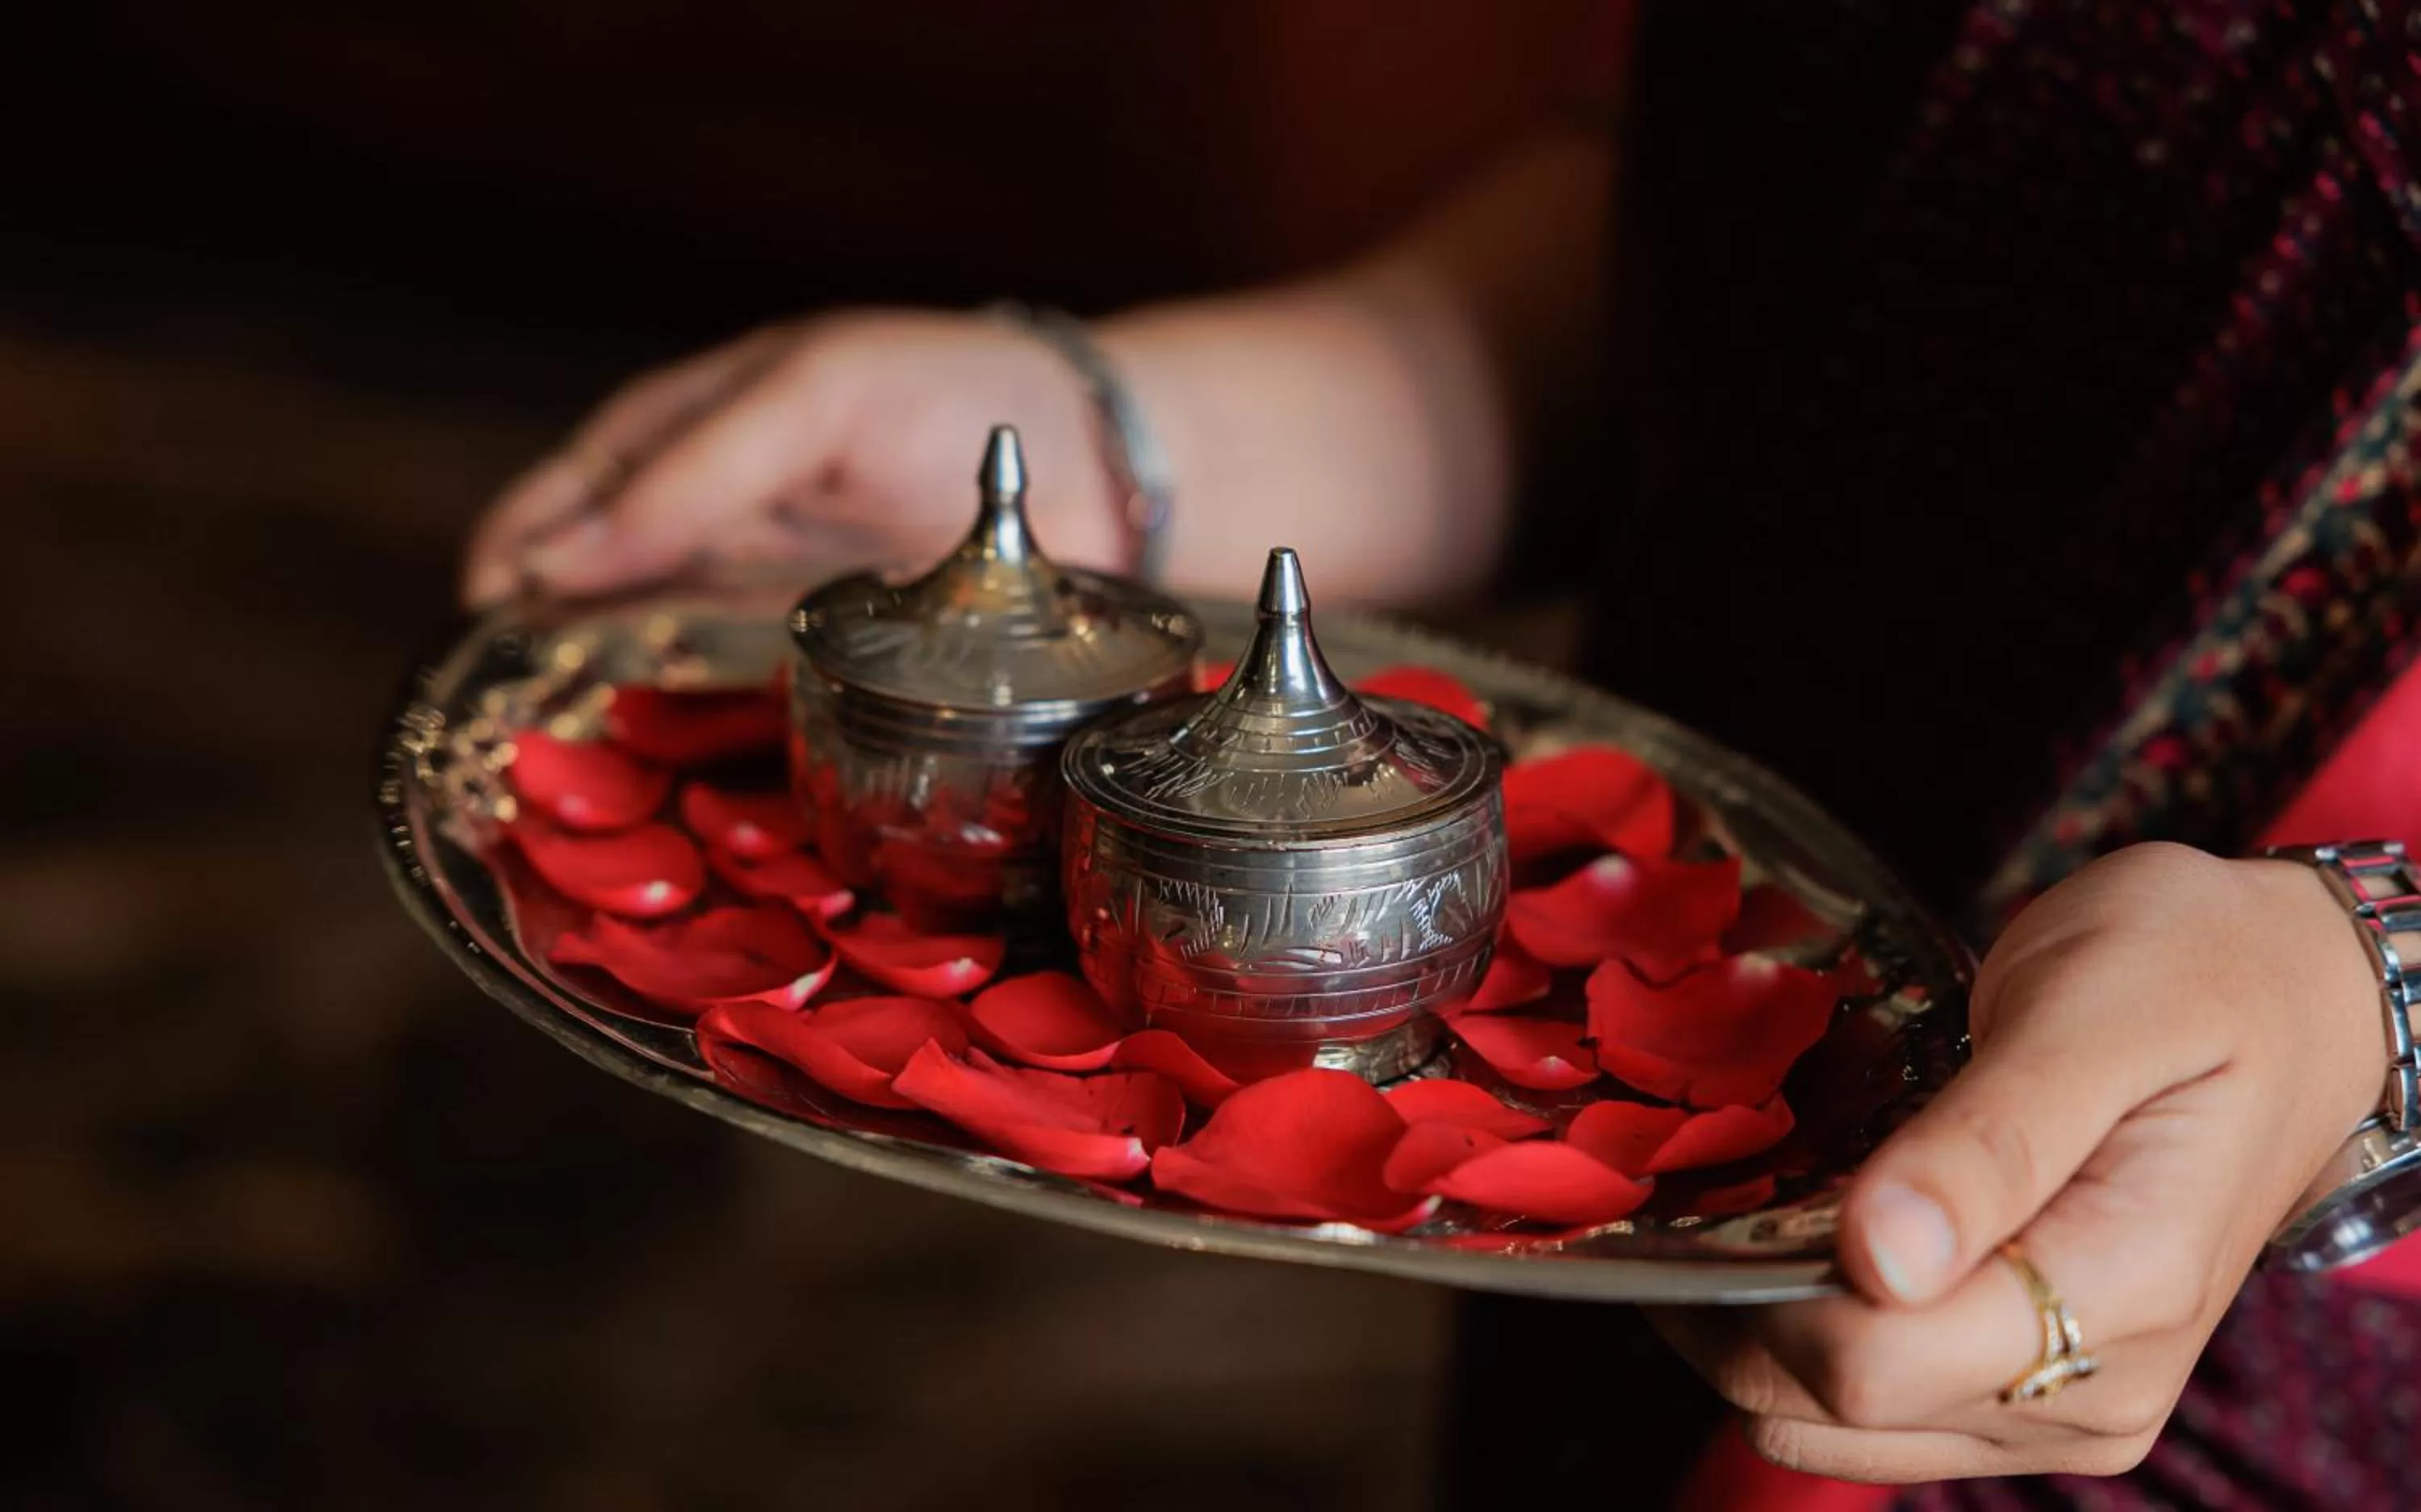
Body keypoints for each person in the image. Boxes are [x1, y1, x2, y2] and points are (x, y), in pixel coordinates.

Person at [461, 2, 2421, 1506]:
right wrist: (1128, 441)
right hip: (1654, 1086)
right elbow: (1744, 212)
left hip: (2288, 1343)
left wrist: (2371, 1007)